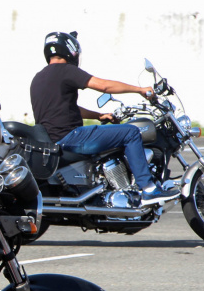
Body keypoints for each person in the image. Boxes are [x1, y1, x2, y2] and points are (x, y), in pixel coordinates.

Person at [29, 31, 179, 205]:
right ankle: (149, 189)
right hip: (71, 136)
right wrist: (139, 90)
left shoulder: (38, 78)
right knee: (130, 132)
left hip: (53, 140)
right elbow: (104, 86)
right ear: (71, 50)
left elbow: (67, 109)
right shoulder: (66, 71)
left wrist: (99, 115)